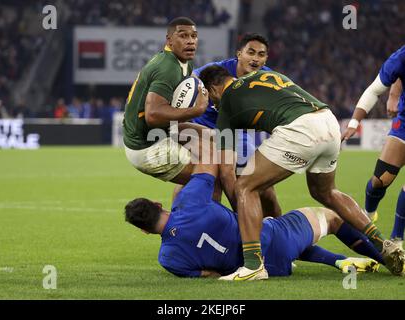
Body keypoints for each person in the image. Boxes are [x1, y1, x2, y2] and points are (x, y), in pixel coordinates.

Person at [198, 65, 405, 279]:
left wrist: (238, 211)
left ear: (213, 88)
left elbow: (226, 171)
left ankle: (253, 265)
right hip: (327, 120)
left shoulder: (226, 104)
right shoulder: (261, 75)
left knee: (245, 186)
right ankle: (384, 243)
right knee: (326, 192)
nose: (213, 105)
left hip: (300, 130)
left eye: (210, 99)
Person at [124, 162, 382, 279]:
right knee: (333, 218)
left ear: (144, 231)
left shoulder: (167, 260)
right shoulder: (190, 201)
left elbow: (210, 274)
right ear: (158, 205)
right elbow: (208, 165)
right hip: (273, 238)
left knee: (288, 244)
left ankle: (338, 261)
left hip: (271, 269)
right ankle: (388, 257)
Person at [172, 33, 281, 217]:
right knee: (204, 179)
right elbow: (187, 82)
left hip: (235, 132)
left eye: (260, 54)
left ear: (266, 58)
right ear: (239, 54)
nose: (255, 59)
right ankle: (180, 227)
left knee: (265, 188)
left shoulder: (267, 79)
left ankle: (279, 231)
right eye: (251, 52)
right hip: (203, 127)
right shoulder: (216, 71)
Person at [122, 17, 210, 185]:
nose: (190, 41)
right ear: (169, 40)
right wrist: (196, 110)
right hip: (146, 146)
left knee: (215, 138)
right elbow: (153, 116)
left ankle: (192, 207)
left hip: (161, 132)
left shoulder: (183, 63)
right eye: (183, 36)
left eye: (194, 36)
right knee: (210, 176)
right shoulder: (167, 68)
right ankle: (201, 211)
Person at [342, 45, 405, 249]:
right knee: (380, 179)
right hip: (404, 122)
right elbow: (374, 90)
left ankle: (396, 241)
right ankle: (368, 214)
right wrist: (353, 123)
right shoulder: (401, 58)